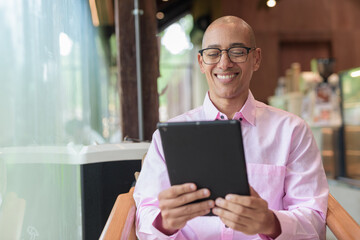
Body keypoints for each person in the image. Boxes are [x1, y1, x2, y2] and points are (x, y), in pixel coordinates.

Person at [134, 16, 329, 239]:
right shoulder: (167, 136)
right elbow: (145, 215)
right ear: (201, 62)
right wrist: (164, 223)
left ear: (256, 58)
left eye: (237, 51)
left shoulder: (293, 131)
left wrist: (270, 222)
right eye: (213, 53)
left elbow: (314, 221)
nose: (224, 63)